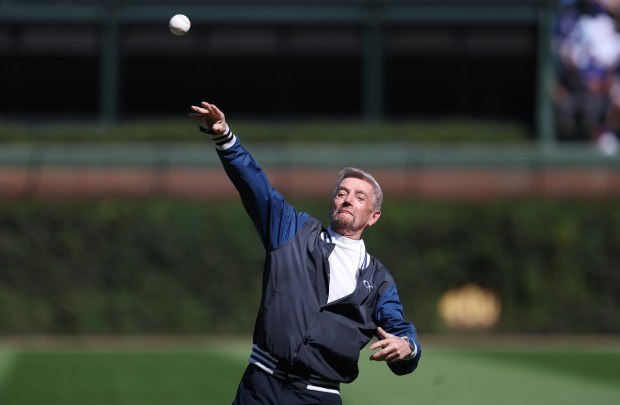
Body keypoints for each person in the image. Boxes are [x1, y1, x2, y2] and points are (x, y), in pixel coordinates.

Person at [189, 101, 421, 405]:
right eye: (342, 193)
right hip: (261, 385)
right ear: (333, 203)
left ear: (373, 216)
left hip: (319, 395)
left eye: (359, 196)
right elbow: (257, 186)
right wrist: (225, 138)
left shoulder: (379, 281)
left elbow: (401, 335)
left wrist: (408, 347)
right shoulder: (293, 231)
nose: (348, 199)